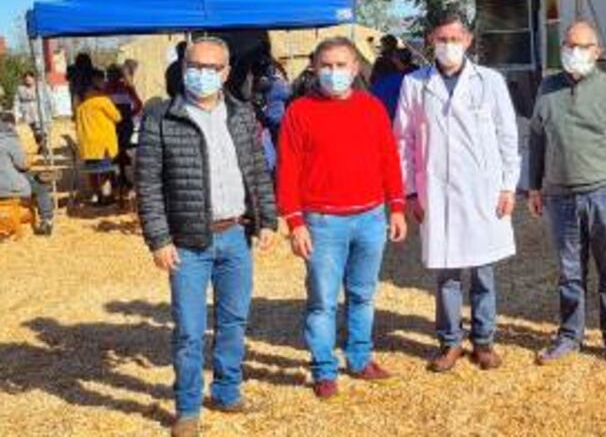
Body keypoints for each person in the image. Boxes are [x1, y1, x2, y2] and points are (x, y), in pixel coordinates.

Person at [136, 37, 278, 437]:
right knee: (189, 329)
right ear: (184, 69)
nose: (203, 74)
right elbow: (147, 185)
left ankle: (227, 390)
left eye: (212, 68)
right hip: (187, 244)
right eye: (195, 66)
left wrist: (267, 220)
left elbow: (257, 170)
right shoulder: (161, 117)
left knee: (234, 320)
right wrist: (159, 239)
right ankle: (187, 408)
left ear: (226, 72)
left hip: (235, 235)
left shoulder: (242, 114)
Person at [277, 37, 408, 400]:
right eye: (326, 66)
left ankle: (360, 358)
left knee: (363, 294)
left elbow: (388, 159)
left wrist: (397, 207)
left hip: (370, 217)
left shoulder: (372, 108)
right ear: (315, 68)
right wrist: (295, 222)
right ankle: (324, 369)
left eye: (341, 65)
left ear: (355, 68)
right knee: (322, 301)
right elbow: (287, 170)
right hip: (322, 222)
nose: (334, 72)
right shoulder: (299, 111)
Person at [394, 12, 520, 373]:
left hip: (483, 191)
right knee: (446, 273)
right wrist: (411, 192)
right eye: (441, 39)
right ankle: (450, 342)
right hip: (437, 192)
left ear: (468, 40)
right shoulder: (415, 84)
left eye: (454, 38)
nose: (448, 45)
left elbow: (508, 136)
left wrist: (508, 186)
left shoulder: (489, 81)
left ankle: (484, 341)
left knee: (483, 271)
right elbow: (403, 140)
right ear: (431, 41)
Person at [527, 20, 606, 365]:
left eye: (582, 46)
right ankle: (569, 336)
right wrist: (533, 186)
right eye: (568, 45)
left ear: (597, 52)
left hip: (605, 194)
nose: (574, 52)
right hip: (560, 197)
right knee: (569, 273)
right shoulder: (547, 89)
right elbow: (537, 139)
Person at [0, 111, 54, 234]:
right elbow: (22, 165)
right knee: (41, 186)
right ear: (10, 124)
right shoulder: (9, 140)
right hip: (8, 188)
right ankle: (46, 220)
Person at [75, 69, 122, 205]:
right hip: (103, 144)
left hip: (87, 146)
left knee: (93, 172)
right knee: (105, 171)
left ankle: (95, 196)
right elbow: (117, 117)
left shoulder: (81, 106)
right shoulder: (103, 101)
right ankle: (107, 196)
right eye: (102, 80)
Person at [105, 64, 143, 187]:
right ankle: (119, 178)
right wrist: (129, 115)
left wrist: (129, 115)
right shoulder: (125, 87)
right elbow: (138, 105)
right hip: (120, 125)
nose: (112, 77)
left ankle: (118, 178)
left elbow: (138, 104)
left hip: (117, 125)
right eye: (111, 74)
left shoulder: (107, 89)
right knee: (119, 152)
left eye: (113, 74)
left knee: (116, 152)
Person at [370, 47, 415, 121]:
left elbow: (375, 91)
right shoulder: (417, 76)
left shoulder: (391, 80)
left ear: (397, 60)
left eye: (394, 57)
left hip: (392, 117)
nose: (392, 59)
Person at [14, 71, 44, 149]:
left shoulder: (39, 86)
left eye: (29, 78)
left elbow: (45, 98)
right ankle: (40, 144)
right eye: (26, 79)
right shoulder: (20, 89)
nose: (28, 80)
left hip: (38, 108)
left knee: (40, 127)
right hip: (27, 110)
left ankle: (43, 144)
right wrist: (17, 112)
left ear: (33, 78)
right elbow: (16, 101)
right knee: (34, 129)